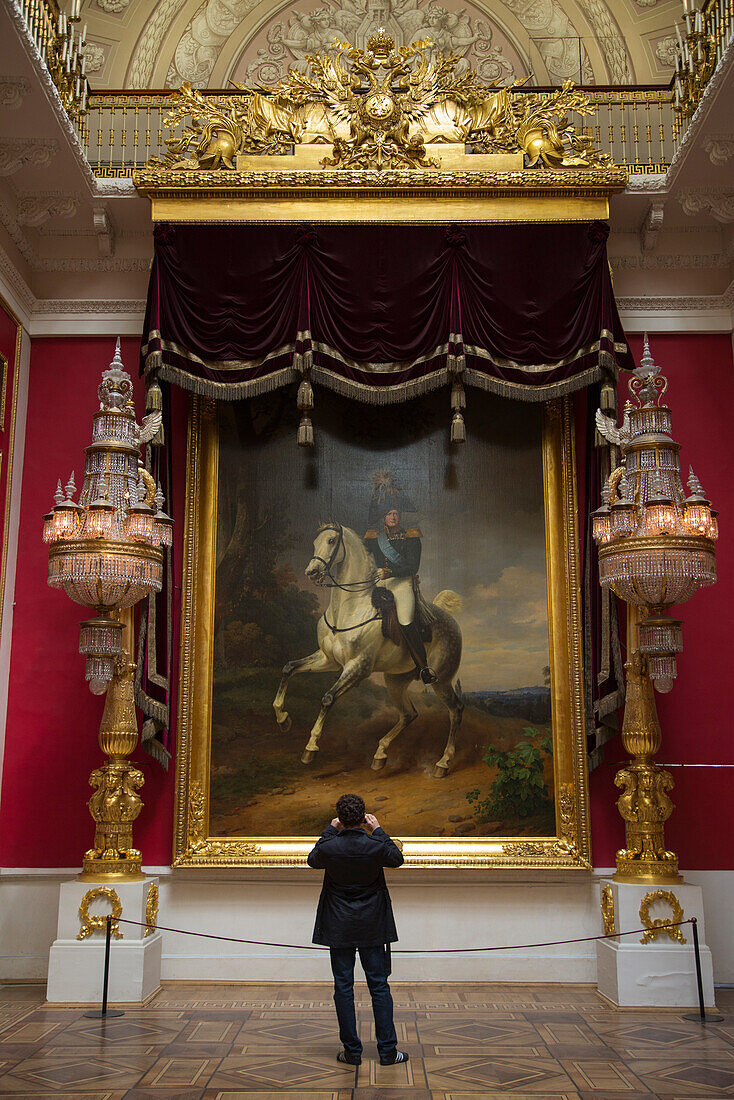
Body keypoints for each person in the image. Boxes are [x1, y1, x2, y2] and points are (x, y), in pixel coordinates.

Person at [307, 792, 409, 1066]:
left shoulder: (330, 846)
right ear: (364, 817)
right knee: (379, 986)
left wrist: (331, 828)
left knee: (343, 987)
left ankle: (352, 1052)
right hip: (372, 925)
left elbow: (313, 859)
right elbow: (396, 858)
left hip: (339, 925)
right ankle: (388, 1051)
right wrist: (378, 829)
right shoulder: (375, 844)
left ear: (340, 818)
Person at [365, 501, 437, 684]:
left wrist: (390, 572)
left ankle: (423, 668)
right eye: (389, 514)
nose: (393, 517)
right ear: (384, 517)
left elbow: (412, 567)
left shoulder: (411, 537)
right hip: (379, 583)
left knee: (405, 620)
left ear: (400, 517)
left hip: (402, 583)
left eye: (396, 513)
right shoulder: (374, 538)